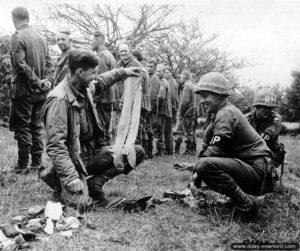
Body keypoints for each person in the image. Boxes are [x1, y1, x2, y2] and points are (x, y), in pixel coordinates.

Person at [41, 49, 144, 209]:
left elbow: (102, 81)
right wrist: (70, 177)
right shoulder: (59, 101)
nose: (96, 76)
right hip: (73, 162)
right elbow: (56, 146)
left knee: (135, 152)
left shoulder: (84, 87)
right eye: (93, 72)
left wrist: (124, 72)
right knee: (82, 205)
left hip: (92, 154)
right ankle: (60, 184)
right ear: (80, 72)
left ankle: (95, 184)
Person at [192, 72, 276, 219]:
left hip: (259, 172)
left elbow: (215, 150)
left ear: (220, 95)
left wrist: (196, 176)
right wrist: (195, 179)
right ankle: (235, 199)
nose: (202, 101)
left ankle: (246, 204)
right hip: (257, 171)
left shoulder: (226, 113)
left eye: (205, 96)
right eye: (201, 96)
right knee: (204, 164)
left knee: (205, 166)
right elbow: (208, 146)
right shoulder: (221, 114)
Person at [9, 6, 54, 173]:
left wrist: (38, 82)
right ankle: (36, 163)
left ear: (14, 19)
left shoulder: (17, 36)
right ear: (27, 17)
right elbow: (50, 63)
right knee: (36, 127)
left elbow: (20, 65)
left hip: (24, 91)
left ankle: (22, 165)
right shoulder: (41, 37)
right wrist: (46, 81)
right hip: (40, 92)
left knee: (23, 127)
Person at [246, 89, 285, 167]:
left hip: (270, 154)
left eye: (270, 108)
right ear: (256, 106)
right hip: (251, 152)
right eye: (264, 107)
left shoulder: (276, 119)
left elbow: (264, 139)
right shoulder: (246, 118)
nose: (268, 110)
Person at [92, 30, 117, 146]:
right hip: (109, 97)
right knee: (106, 127)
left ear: (99, 40)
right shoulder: (109, 55)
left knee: (100, 127)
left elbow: (100, 81)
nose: (91, 43)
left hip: (103, 98)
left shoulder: (102, 57)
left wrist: (94, 99)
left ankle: (103, 153)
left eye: (93, 40)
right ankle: (108, 151)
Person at [132, 49, 151, 152]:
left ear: (135, 58)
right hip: (144, 102)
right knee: (142, 127)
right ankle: (146, 151)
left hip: (140, 102)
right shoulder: (144, 70)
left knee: (138, 126)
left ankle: (139, 150)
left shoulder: (139, 70)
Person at [173, 71, 197, 155]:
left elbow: (184, 101)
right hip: (191, 112)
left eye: (180, 77)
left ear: (183, 77)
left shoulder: (187, 86)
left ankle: (176, 150)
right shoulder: (193, 86)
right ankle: (189, 150)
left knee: (178, 131)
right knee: (189, 131)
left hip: (185, 112)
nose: (180, 79)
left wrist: (179, 112)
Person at [145, 58, 160, 158]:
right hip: (147, 107)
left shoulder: (154, 78)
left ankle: (148, 152)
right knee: (147, 129)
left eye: (151, 67)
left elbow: (153, 96)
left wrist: (148, 110)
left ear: (155, 68)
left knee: (148, 130)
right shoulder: (148, 77)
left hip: (150, 109)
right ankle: (147, 152)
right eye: (148, 66)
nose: (149, 68)